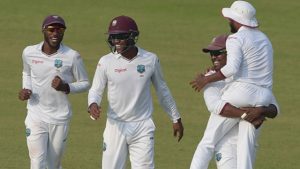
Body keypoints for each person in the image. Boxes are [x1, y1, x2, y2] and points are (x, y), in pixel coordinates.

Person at [88, 15, 184, 169]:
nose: (116, 41)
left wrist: (175, 117)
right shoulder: (105, 61)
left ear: (133, 36)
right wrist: (93, 104)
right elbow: (96, 89)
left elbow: (163, 91)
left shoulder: (150, 59)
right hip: (115, 126)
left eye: (120, 37)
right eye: (113, 37)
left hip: (142, 126)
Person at [190, 35, 279, 169]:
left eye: (218, 53)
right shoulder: (209, 78)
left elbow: (275, 109)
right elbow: (215, 106)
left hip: (248, 145)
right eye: (211, 54)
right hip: (226, 145)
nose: (213, 57)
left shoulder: (248, 78)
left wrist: (260, 111)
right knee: (207, 142)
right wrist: (248, 115)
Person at [18, 15, 90, 169]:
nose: (55, 33)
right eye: (51, 29)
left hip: (60, 117)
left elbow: (85, 83)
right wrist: (26, 89)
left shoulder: (72, 56)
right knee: (37, 162)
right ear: (44, 30)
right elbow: (27, 73)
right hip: (35, 114)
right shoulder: (29, 52)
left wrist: (66, 87)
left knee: (53, 165)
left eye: (60, 29)